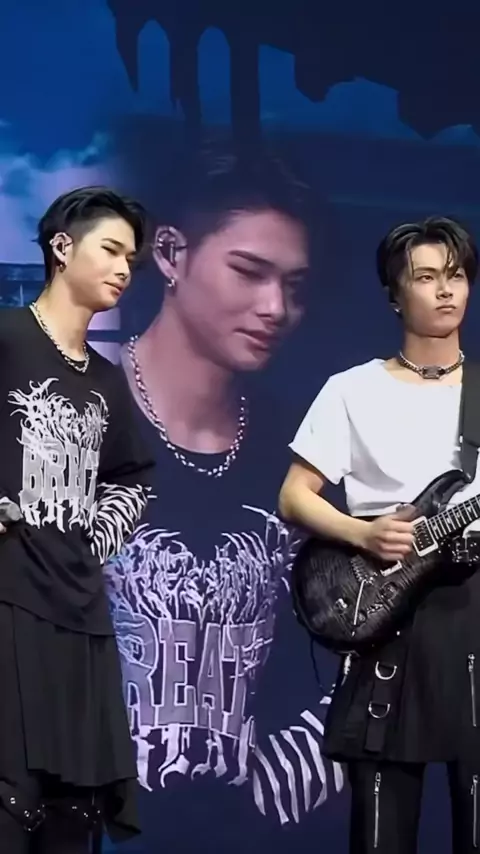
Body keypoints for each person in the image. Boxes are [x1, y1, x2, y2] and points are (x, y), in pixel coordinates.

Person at [105, 142, 343, 854]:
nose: (276, 308)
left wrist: (272, 793)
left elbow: (361, 652)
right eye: (249, 271)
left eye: (295, 286)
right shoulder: (65, 422)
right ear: (170, 254)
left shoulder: (303, 452)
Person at [279, 216, 480, 854]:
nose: (446, 290)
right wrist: (363, 535)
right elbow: (293, 496)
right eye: (427, 277)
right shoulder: (351, 390)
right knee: (381, 832)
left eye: (457, 276)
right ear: (395, 293)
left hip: (474, 618)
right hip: (387, 617)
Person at [0, 186, 154, 853]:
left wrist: (92, 538)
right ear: (62, 248)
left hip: (79, 613)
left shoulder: (107, 381)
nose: (123, 268)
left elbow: (135, 476)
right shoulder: (8, 337)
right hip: (8, 601)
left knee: (72, 815)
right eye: (111, 249)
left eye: (131, 259)